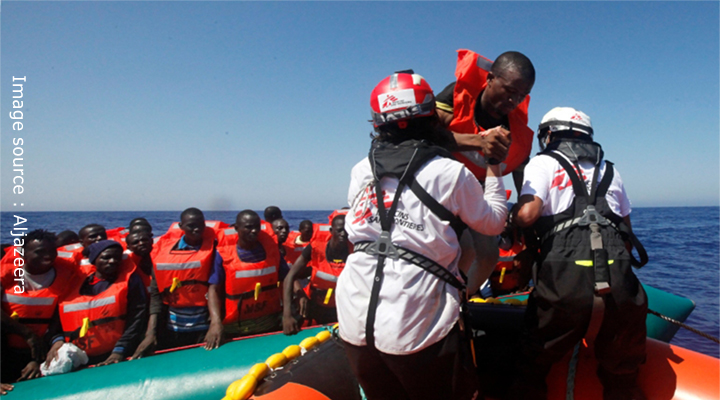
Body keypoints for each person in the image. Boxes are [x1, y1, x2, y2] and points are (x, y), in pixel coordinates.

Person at [336, 71, 508, 400]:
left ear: (377, 124)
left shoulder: (360, 170)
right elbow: (494, 223)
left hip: (354, 321)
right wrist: (494, 165)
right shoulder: (450, 172)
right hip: (414, 325)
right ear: (431, 117)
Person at [511, 107, 648, 400]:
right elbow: (626, 233)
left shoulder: (542, 163)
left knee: (531, 362)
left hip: (564, 281)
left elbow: (527, 215)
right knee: (622, 371)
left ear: (548, 135)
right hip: (618, 280)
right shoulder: (611, 170)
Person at [435, 50, 535, 293]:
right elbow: (424, 134)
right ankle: (439, 302)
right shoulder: (455, 95)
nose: (514, 101)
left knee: (489, 255)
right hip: (440, 184)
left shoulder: (514, 126)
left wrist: (524, 211)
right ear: (490, 79)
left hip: (475, 188)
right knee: (464, 249)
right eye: (510, 91)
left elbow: (520, 165)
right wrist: (477, 142)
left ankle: (462, 301)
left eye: (521, 96)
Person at [0, 230, 82, 383]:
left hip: (44, 347)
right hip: (6, 348)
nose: (48, 256)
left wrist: (37, 359)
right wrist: (28, 335)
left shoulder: (66, 275)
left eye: (52, 251)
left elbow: (59, 319)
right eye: (40, 252)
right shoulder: (6, 275)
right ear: (23, 254)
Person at [140, 208, 224, 354]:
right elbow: (156, 294)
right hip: (172, 327)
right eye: (191, 225)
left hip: (205, 326)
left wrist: (216, 323)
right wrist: (150, 333)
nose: (197, 229)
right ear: (181, 226)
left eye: (201, 224)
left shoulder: (215, 248)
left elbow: (215, 287)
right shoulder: (162, 252)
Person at [56, 240, 147, 366]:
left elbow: (137, 317)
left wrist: (120, 350)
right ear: (94, 260)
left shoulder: (131, 280)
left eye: (117, 257)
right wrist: (57, 342)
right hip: (78, 356)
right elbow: (56, 321)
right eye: (106, 257)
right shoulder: (74, 283)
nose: (112, 261)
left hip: (116, 353)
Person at [217, 210, 282, 337]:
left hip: (268, 322)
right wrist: (215, 322)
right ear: (236, 228)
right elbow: (214, 289)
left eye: (257, 227)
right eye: (248, 227)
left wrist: (287, 313)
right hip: (234, 327)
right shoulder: (222, 254)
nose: (254, 231)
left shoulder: (271, 249)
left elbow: (286, 277)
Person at [282, 214, 351, 334]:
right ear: (331, 231)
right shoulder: (316, 247)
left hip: (342, 309)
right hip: (314, 306)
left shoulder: (357, 250)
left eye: (347, 230)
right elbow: (290, 276)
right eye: (339, 230)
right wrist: (287, 315)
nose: (343, 234)